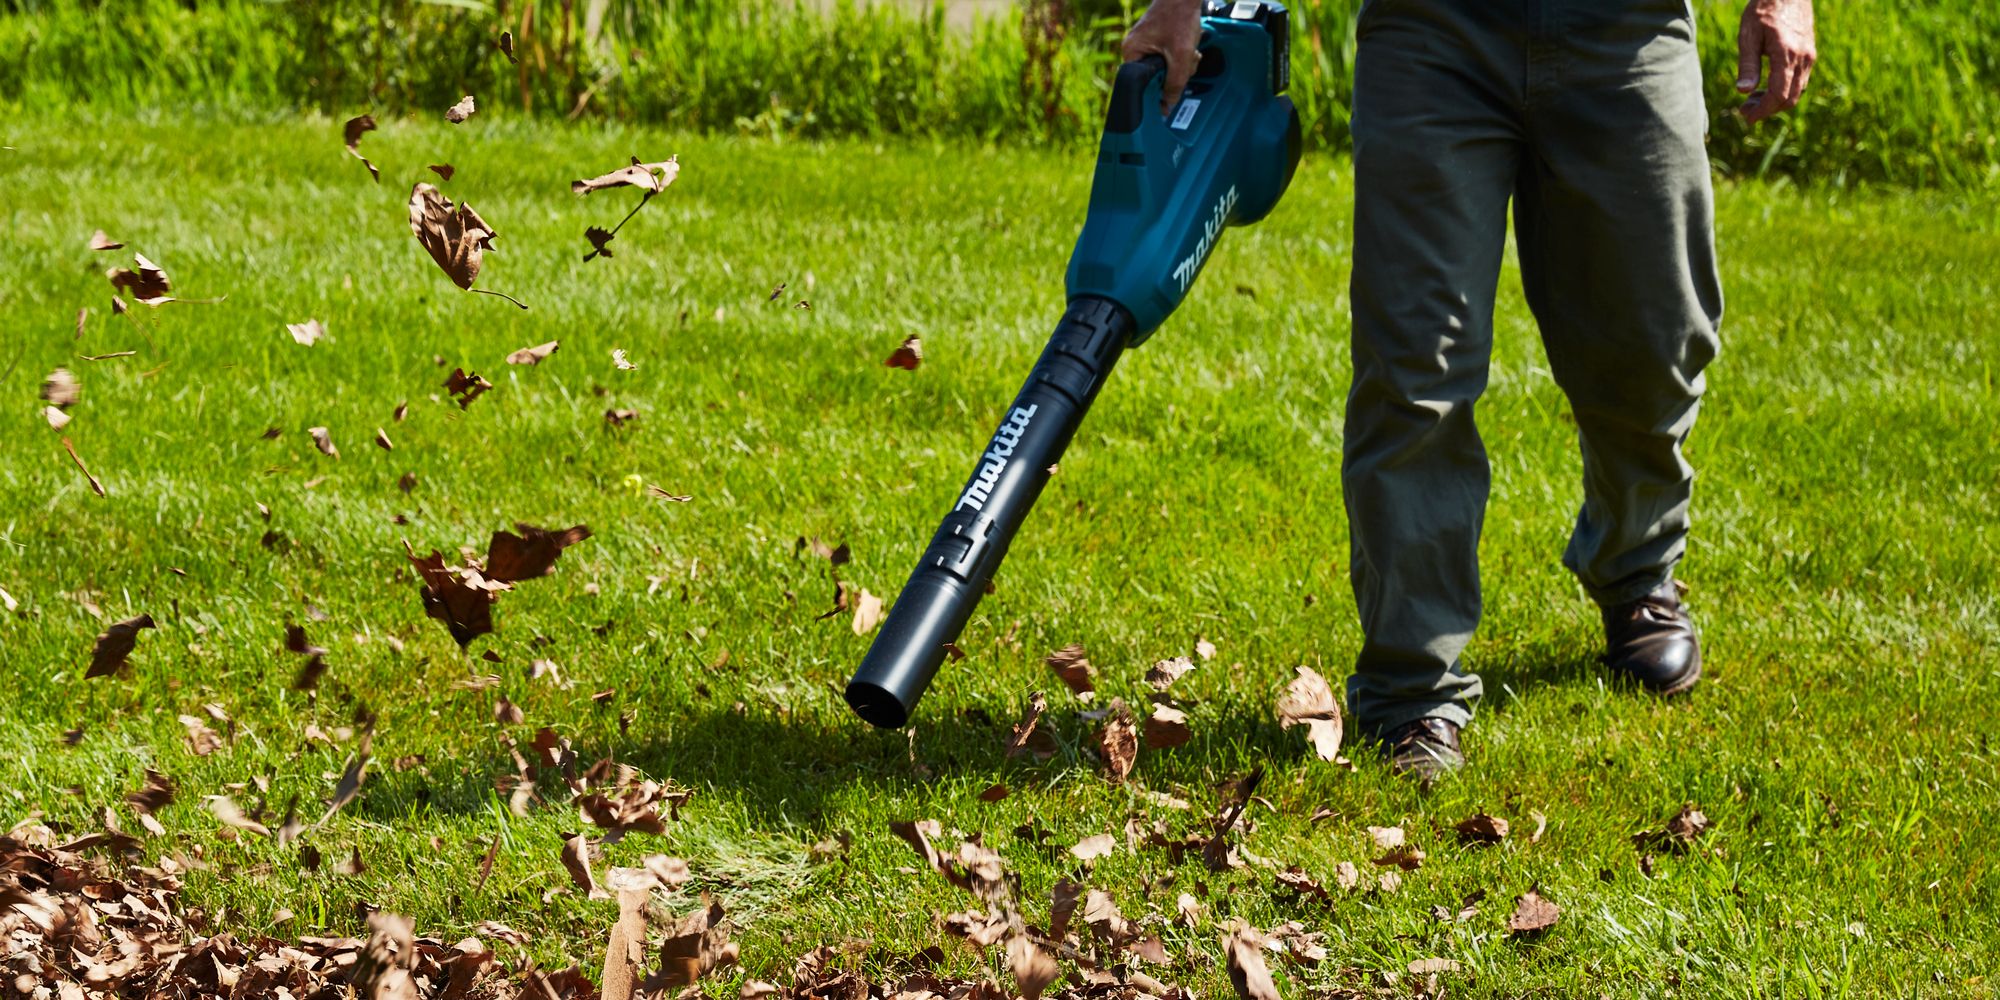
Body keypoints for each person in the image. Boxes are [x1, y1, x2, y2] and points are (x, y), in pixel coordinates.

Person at [1122, 0, 1816, 778]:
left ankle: (1636, 568)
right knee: (1416, 365)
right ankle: (1412, 688)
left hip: (1627, 30)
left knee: (1653, 343)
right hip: (1434, 31)